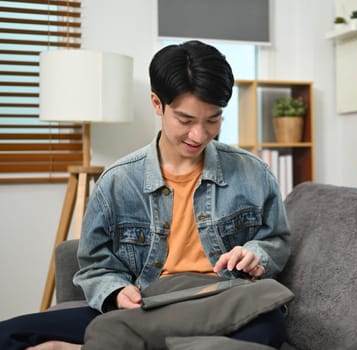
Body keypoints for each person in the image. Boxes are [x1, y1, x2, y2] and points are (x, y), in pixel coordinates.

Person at [0, 40, 291, 350]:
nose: (200, 135)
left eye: (213, 120)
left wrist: (255, 255)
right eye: (186, 120)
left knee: (267, 328)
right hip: (146, 306)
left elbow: (277, 241)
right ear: (157, 103)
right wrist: (114, 292)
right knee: (8, 334)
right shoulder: (118, 181)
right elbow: (95, 265)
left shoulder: (254, 173)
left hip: (223, 302)